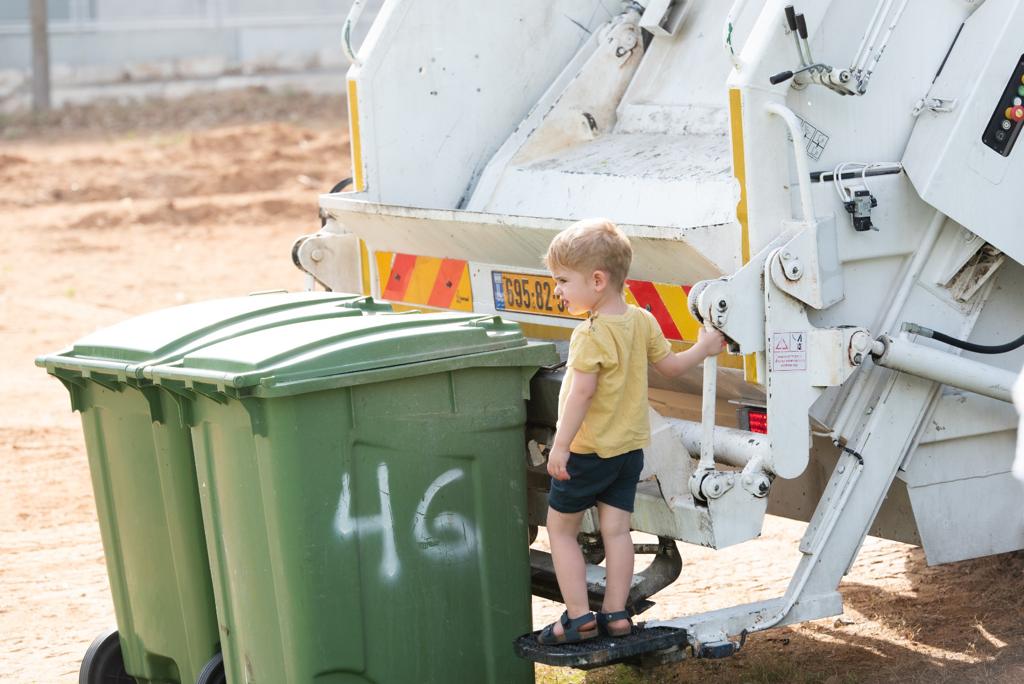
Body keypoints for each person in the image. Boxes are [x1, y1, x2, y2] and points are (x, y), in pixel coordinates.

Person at [537, 218, 725, 644]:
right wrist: (704, 346)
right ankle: (617, 615)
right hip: (628, 453)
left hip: (587, 452)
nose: (558, 290)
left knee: (561, 530)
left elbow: (581, 394)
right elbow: (671, 367)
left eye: (563, 281)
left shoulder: (590, 334)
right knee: (617, 531)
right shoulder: (641, 320)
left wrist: (561, 446)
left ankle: (579, 618)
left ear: (597, 280)